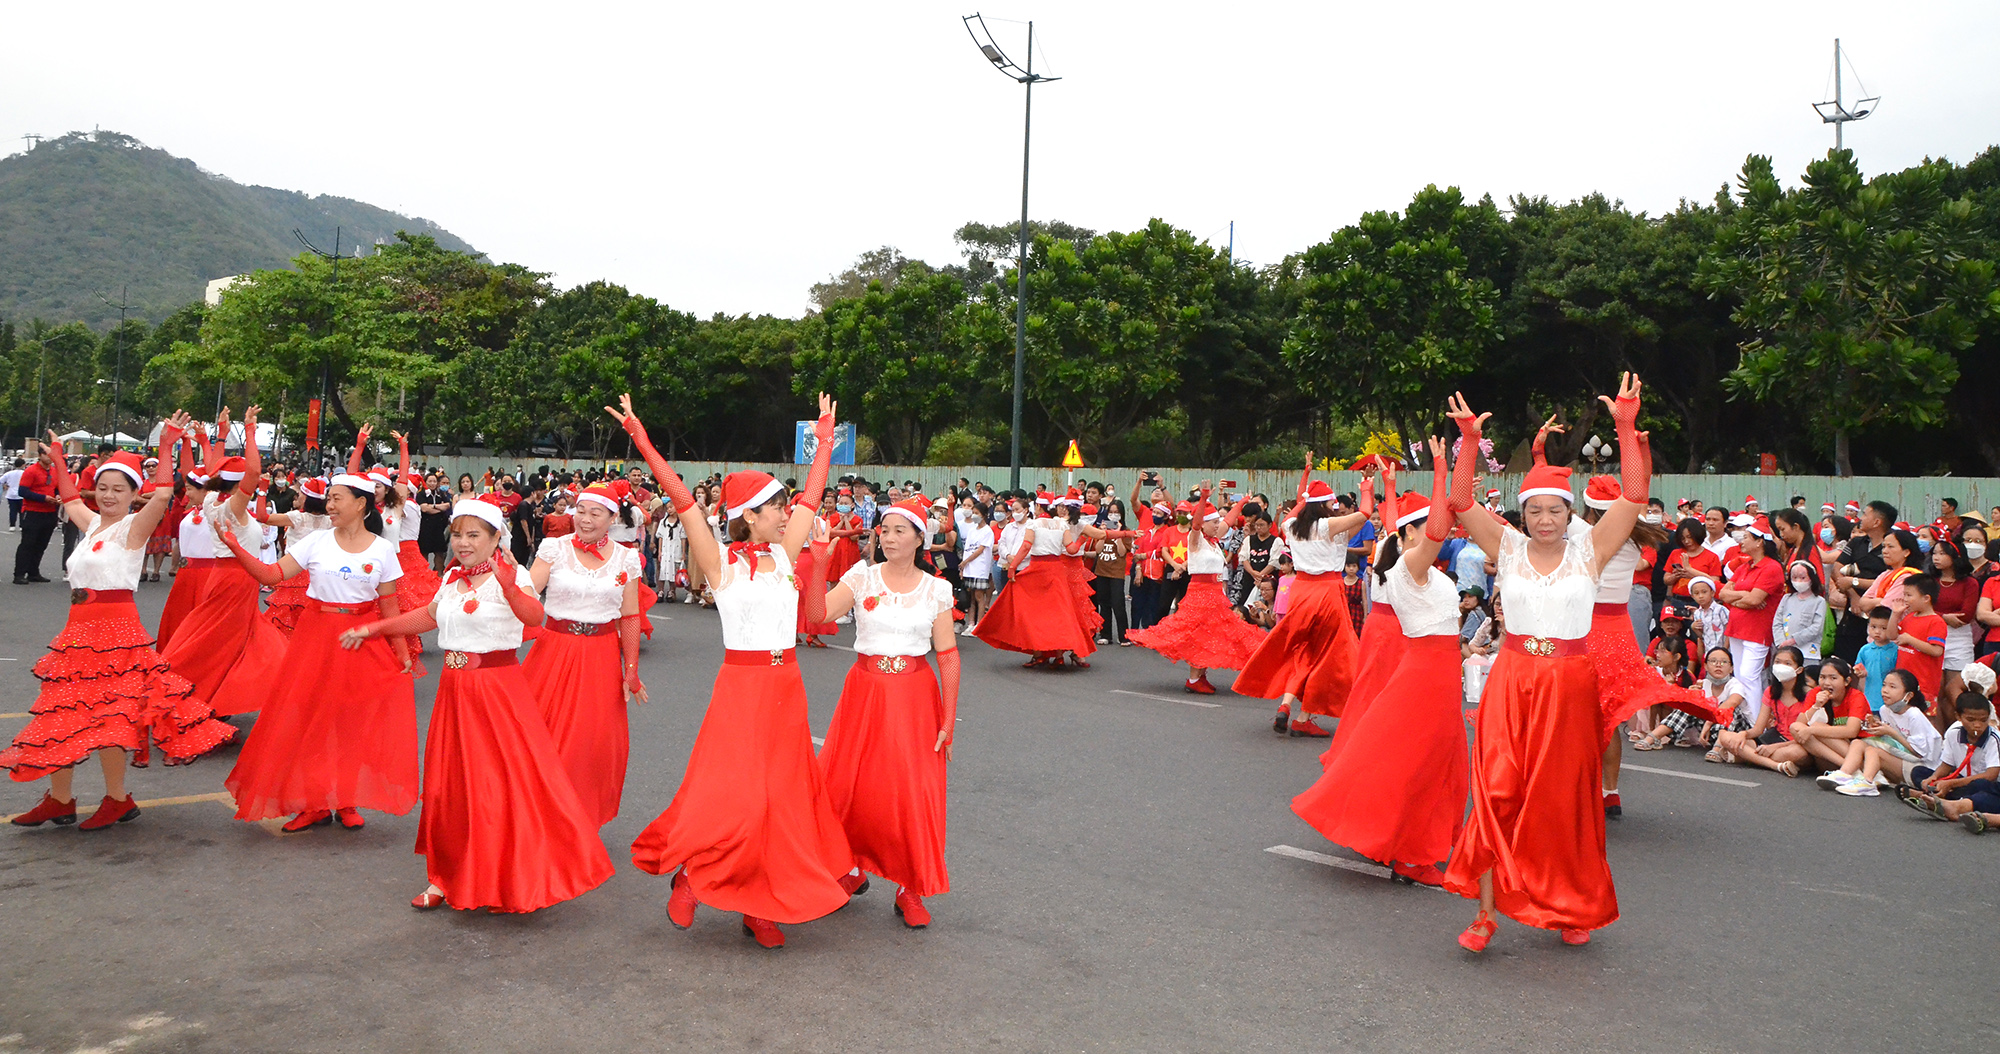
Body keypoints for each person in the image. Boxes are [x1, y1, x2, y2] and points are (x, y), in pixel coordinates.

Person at [624, 394, 854, 950]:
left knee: (783, 802)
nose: (788, 512)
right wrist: (643, 440)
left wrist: (825, 438)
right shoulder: (721, 561)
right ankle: (693, 879)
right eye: (776, 506)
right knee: (737, 797)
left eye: (785, 507)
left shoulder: (787, 552)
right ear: (749, 515)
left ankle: (761, 906)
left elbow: (814, 493)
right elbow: (681, 500)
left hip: (787, 685)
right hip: (742, 687)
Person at [1441, 374, 1647, 952]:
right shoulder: (1504, 545)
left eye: (1557, 510)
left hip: (1569, 681)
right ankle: (1485, 916)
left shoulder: (1592, 549)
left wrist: (1626, 429)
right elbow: (1459, 503)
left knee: (1563, 800)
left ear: (1570, 513)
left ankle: (1568, 907)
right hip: (1511, 677)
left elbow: (1633, 495)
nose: (1546, 520)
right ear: (1524, 514)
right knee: (1496, 792)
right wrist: (1465, 445)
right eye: (1536, 511)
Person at [340, 497, 614, 912]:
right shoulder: (451, 578)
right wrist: (375, 628)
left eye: (473, 535)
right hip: (454, 693)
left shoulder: (513, 574)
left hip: (498, 694)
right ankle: (442, 878)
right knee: (447, 789)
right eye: (457, 534)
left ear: (494, 539)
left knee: (498, 790)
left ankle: (505, 875)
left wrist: (506, 583)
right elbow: (427, 617)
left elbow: (534, 617)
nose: (463, 543)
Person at [5, 418, 236, 830]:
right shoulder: (92, 523)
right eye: (105, 488)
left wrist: (166, 448)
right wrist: (58, 459)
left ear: (134, 494)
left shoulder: (134, 528)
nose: (109, 496)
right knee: (65, 712)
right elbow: (71, 496)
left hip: (116, 631)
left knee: (112, 718)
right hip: (78, 631)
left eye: (120, 489)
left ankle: (116, 798)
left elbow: (164, 494)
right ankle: (60, 800)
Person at [1291, 443, 1464, 886]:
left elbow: (1418, 524)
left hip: (1440, 675)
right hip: (1425, 674)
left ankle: (1422, 843)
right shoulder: (1411, 565)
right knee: (1419, 763)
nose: (1432, 535)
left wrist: (1395, 487)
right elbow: (1437, 527)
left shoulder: (1411, 559)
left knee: (1435, 763)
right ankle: (1408, 854)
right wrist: (1444, 470)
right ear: (1409, 536)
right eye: (1423, 529)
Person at [213, 471, 420, 833]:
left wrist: (401, 652)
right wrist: (234, 545)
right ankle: (313, 804)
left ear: (360, 504)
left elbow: (389, 609)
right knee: (309, 719)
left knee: (350, 722)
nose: (330, 505)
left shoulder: (382, 549)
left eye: (338, 498)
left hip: (360, 640)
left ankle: (346, 800)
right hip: (315, 638)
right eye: (329, 499)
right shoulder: (316, 541)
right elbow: (270, 575)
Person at [802, 497, 961, 927]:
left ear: (919, 538)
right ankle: (848, 868)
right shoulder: (862, 578)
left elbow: (947, 656)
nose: (889, 538)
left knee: (912, 792)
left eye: (899, 531)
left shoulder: (937, 589)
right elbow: (817, 616)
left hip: (915, 695)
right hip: (865, 690)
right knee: (851, 784)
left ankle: (911, 888)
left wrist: (948, 720)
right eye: (884, 530)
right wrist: (819, 564)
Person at [520, 482, 644, 827]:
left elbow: (630, 616)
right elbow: (530, 596)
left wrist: (630, 671)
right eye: (581, 510)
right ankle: (539, 814)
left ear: (612, 517)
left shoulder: (627, 558)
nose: (585, 519)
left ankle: (579, 819)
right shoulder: (554, 548)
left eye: (595, 513)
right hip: (554, 651)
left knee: (591, 744)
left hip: (601, 655)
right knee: (542, 736)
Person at [1233, 451, 1374, 738]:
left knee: (1302, 652)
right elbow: (1366, 513)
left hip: (1302, 591)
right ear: (1326, 505)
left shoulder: (1290, 527)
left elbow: (1298, 506)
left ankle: (1287, 705)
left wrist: (1307, 478)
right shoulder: (1328, 526)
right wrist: (1367, 487)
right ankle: (1305, 716)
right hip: (1329, 593)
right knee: (1328, 656)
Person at [159, 407, 287, 718]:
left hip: (228, 575)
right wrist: (251, 431)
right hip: (236, 578)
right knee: (223, 642)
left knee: (226, 639)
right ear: (239, 483)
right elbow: (253, 472)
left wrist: (217, 437)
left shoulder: (212, 500)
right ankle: (204, 695)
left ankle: (214, 694)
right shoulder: (233, 506)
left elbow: (211, 470)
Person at [1126, 492, 1267, 695]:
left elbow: (1228, 520)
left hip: (1214, 594)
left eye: (1218, 522)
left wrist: (1243, 502)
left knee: (1211, 636)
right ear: (1205, 524)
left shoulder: (1213, 540)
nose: (1219, 525)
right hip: (1200, 594)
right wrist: (1202, 501)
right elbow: (1197, 523)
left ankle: (1200, 675)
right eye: (1214, 522)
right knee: (1199, 637)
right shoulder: (1196, 539)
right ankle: (1193, 679)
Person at [1822, 669, 1943, 796]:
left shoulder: (1914, 715)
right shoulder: (1885, 710)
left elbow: (1920, 752)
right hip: (1902, 759)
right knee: (1859, 743)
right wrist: (1876, 727)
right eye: (1884, 685)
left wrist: (1891, 732)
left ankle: (1867, 782)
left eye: (1892, 687)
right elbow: (1889, 740)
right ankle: (1844, 774)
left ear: (1908, 695)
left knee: (1873, 751)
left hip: (1922, 768)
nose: (1885, 690)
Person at [1896, 689, 1999, 824]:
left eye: (1983, 720)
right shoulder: (1953, 733)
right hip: (1960, 781)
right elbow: (1946, 765)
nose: (1978, 725)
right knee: (1919, 772)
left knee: (1982, 787)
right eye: (1971, 720)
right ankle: (1938, 796)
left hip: (1982, 784)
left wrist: (1951, 783)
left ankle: (1935, 798)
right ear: (1958, 717)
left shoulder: (1994, 739)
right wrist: (1934, 778)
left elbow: (1991, 775)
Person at [1715, 518, 1783, 720]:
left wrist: (1746, 597)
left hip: (1757, 630)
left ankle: (1755, 722)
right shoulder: (1745, 566)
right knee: (1741, 676)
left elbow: (1755, 598)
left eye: (1746, 537)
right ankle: (1746, 719)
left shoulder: (1772, 567)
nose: (1741, 541)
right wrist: (1745, 598)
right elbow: (1724, 594)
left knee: (1749, 675)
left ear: (1760, 541)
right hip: (1737, 627)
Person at [1714, 646, 1814, 776]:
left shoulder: (1809, 695)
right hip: (1774, 738)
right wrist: (1743, 734)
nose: (1781, 666)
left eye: (1787, 663)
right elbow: (1758, 729)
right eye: (1778, 662)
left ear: (1799, 669)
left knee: (1795, 753)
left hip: (1796, 744)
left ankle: (1748, 758)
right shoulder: (1771, 692)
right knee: (1725, 736)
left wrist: (1773, 747)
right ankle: (1776, 766)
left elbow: (1808, 737)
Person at [1787, 656, 1871, 773]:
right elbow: (1799, 725)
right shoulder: (1815, 693)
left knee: (1817, 727)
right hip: (1831, 755)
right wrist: (1817, 705)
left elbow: (1851, 731)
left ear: (1846, 681)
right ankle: (1849, 767)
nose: (1826, 683)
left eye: (1833, 678)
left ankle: (1856, 767)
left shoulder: (1856, 696)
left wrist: (1812, 730)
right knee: (1795, 729)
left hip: (1857, 748)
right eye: (1822, 677)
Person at [1896, 574, 1949, 731]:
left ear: (1926, 598)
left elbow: (1936, 650)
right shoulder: (1909, 617)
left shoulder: (1936, 621)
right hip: (1904, 680)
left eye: (1909, 595)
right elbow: (1893, 635)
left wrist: (1910, 640)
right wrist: (1894, 614)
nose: (1905, 599)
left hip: (1924, 683)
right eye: (1904, 594)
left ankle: (1932, 752)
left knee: (1925, 720)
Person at [12, 441, 60, 584]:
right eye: (46, 454)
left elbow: (56, 488)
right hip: (33, 512)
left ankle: (33, 572)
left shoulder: (54, 471)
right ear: (40, 455)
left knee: (41, 544)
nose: (49, 457)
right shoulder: (31, 471)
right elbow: (23, 491)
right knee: (27, 544)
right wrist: (43, 498)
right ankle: (19, 574)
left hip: (49, 512)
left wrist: (57, 495)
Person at [1772, 560, 1827, 664]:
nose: (1798, 581)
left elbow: (1816, 628)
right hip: (1785, 650)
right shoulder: (1786, 598)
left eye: (1803, 578)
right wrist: (1781, 643)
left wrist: (1794, 640)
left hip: (1808, 652)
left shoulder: (1819, 601)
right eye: (1795, 578)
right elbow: (1777, 622)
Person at [3, 457, 23, 531]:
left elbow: (1, 480)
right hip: (21, 494)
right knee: (22, 511)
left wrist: (5, 485)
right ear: (23, 465)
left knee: (12, 510)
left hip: (11, 494)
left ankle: (12, 525)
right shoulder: (24, 473)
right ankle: (21, 525)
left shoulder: (9, 473)